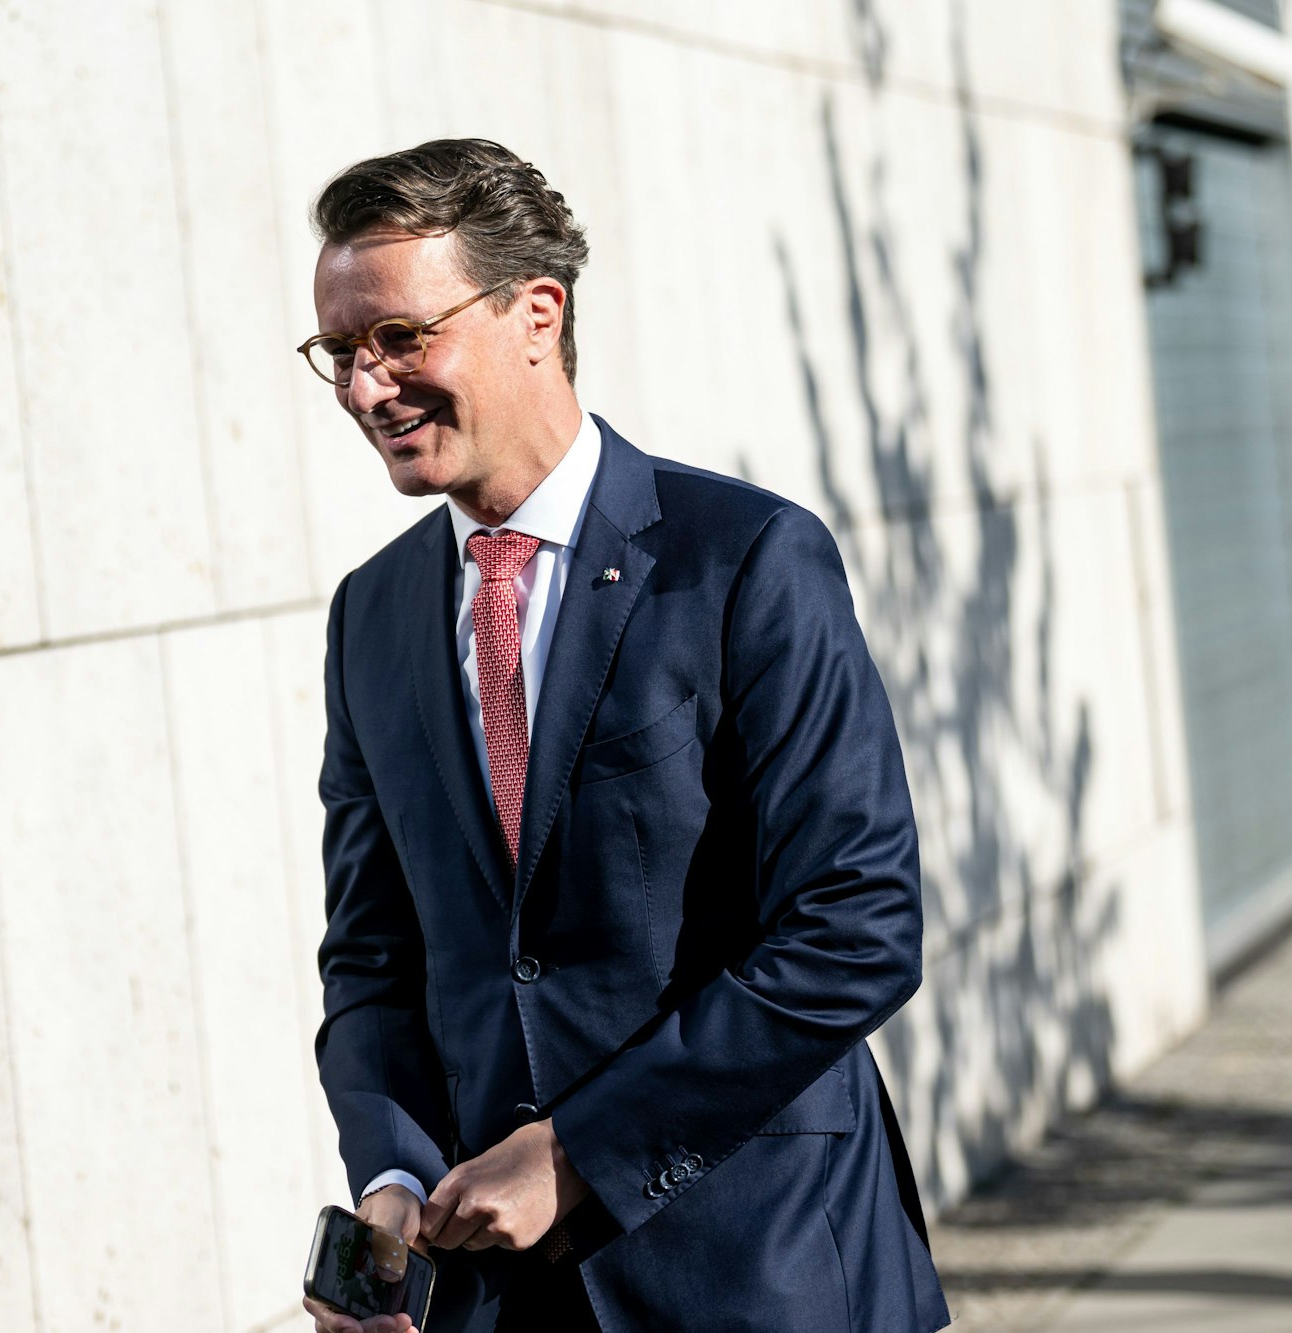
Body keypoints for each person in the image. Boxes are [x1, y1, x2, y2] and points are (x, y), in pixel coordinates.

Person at [301, 138, 949, 1333]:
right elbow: (373, 956)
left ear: (535, 313)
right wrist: (389, 1175)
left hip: (763, 1268)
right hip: (501, 1300)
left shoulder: (745, 559)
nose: (364, 387)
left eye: (398, 337)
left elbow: (855, 923)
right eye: (340, 351)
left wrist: (579, 1150)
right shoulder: (370, 617)